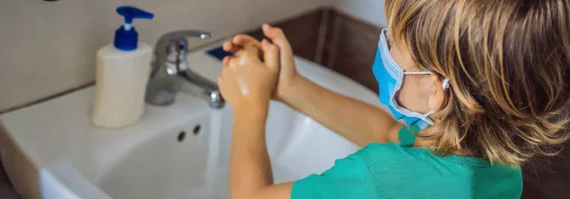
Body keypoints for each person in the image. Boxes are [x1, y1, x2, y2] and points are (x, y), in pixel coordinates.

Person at [217, 0, 570, 198]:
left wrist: (250, 104)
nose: (384, 44)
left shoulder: (377, 181)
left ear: (435, 89)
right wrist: (290, 87)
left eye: (393, 40)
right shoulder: (498, 162)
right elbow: (388, 132)